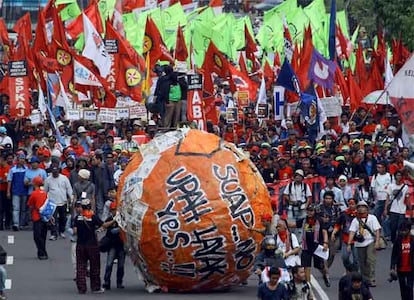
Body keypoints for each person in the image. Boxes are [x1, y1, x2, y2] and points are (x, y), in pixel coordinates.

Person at [73, 198, 115, 294]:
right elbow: (104, 225)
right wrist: (114, 221)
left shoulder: (77, 218)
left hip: (80, 245)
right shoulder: (93, 217)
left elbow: (75, 231)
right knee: (94, 266)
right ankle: (95, 287)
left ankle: (81, 288)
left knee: (80, 267)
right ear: (89, 206)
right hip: (92, 245)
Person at [288, 205, 329, 284]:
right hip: (306, 247)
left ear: (315, 212)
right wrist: (283, 223)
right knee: (306, 266)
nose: (309, 212)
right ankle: (308, 284)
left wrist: (325, 243)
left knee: (320, 266)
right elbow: (294, 225)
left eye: (311, 211)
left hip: (317, 247)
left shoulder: (319, 220)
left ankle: (325, 275)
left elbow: (324, 232)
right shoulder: (304, 220)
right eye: (308, 211)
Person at [347, 200, 381, 287]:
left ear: (367, 209)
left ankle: (372, 278)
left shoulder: (372, 218)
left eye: (363, 207)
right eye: (359, 207)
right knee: (362, 262)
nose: (361, 209)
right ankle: (365, 279)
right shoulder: (355, 220)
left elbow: (377, 230)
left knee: (370, 260)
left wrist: (377, 242)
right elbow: (352, 232)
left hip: (370, 242)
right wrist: (349, 244)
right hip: (359, 244)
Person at [44, 166, 73, 240]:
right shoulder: (48, 179)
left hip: (63, 201)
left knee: (63, 218)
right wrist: (45, 201)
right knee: (53, 219)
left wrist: (71, 199)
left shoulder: (64, 178)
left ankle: (61, 232)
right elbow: (45, 191)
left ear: (59, 171)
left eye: (56, 171)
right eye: (53, 172)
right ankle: (53, 234)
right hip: (52, 202)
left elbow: (69, 189)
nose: (55, 173)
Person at [102, 201, 126, 290]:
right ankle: (106, 282)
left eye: (115, 209)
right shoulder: (109, 219)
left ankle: (119, 282)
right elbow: (106, 227)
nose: (114, 211)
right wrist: (114, 221)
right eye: (112, 209)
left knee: (121, 266)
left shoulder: (123, 219)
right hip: (112, 245)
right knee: (109, 264)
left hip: (121, 245)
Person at [332, 198, 359, 273]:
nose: (351, 206)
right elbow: (338, 224)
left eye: (353, 204)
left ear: (356, 205)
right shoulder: (344, 214)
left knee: (356, 259)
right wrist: (334, 232)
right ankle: (350, 269)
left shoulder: (359, 214)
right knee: (345, 257)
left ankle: (355, 273)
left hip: (357, 240)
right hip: (345, 239)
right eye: (350, 204)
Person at [390, 221, 414, 300]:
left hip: (411, 268)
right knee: (403, 287)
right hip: (400, 268)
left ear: (409, 230)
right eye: (401, 230)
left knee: (410, 287)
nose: (403, 232)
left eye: (405, 230)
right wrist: (392, 268)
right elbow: (394, 255)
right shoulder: (398, 240)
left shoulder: (413, 240)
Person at [27, 176, 49, 260]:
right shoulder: (45, 193)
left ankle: (41, 252)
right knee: (43, 235)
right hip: (45, 216)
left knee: (37, 236)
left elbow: (30, 205)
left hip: (37, 216)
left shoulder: (34, 193)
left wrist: (30, 214)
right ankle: (43, 251)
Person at [7, 153, 28, 231]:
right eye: (20, 159)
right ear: (17, 160)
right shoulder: (12, 169)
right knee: (16, 208)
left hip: (24, 191)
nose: (22, 160)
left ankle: (21, 224)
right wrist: (8, 191)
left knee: (23, 209)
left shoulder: (26, 169)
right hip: (15, 191)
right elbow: (9, 181)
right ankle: (16, 224)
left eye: (23, 159)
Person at [388, 170, 410, 243]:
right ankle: (393, 240)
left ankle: (399, 242)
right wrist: (385, 209)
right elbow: (388, 198)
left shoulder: (405, 187)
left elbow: (407, 198)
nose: (399, 177)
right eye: (397, 175)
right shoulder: (391, 186)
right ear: (395, 177)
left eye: (400, 175)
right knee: (393, 227)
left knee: (400, 227)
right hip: (393, 210)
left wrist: (409, 209)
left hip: (402, 210)